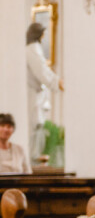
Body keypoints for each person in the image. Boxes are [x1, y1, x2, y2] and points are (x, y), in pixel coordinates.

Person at [25, 22, 61, 155]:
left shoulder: (32, 48)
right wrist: (57, 82)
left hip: (37, 97)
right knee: (35, 130)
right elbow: (42, 70)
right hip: (34, 97)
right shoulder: (33, 48)